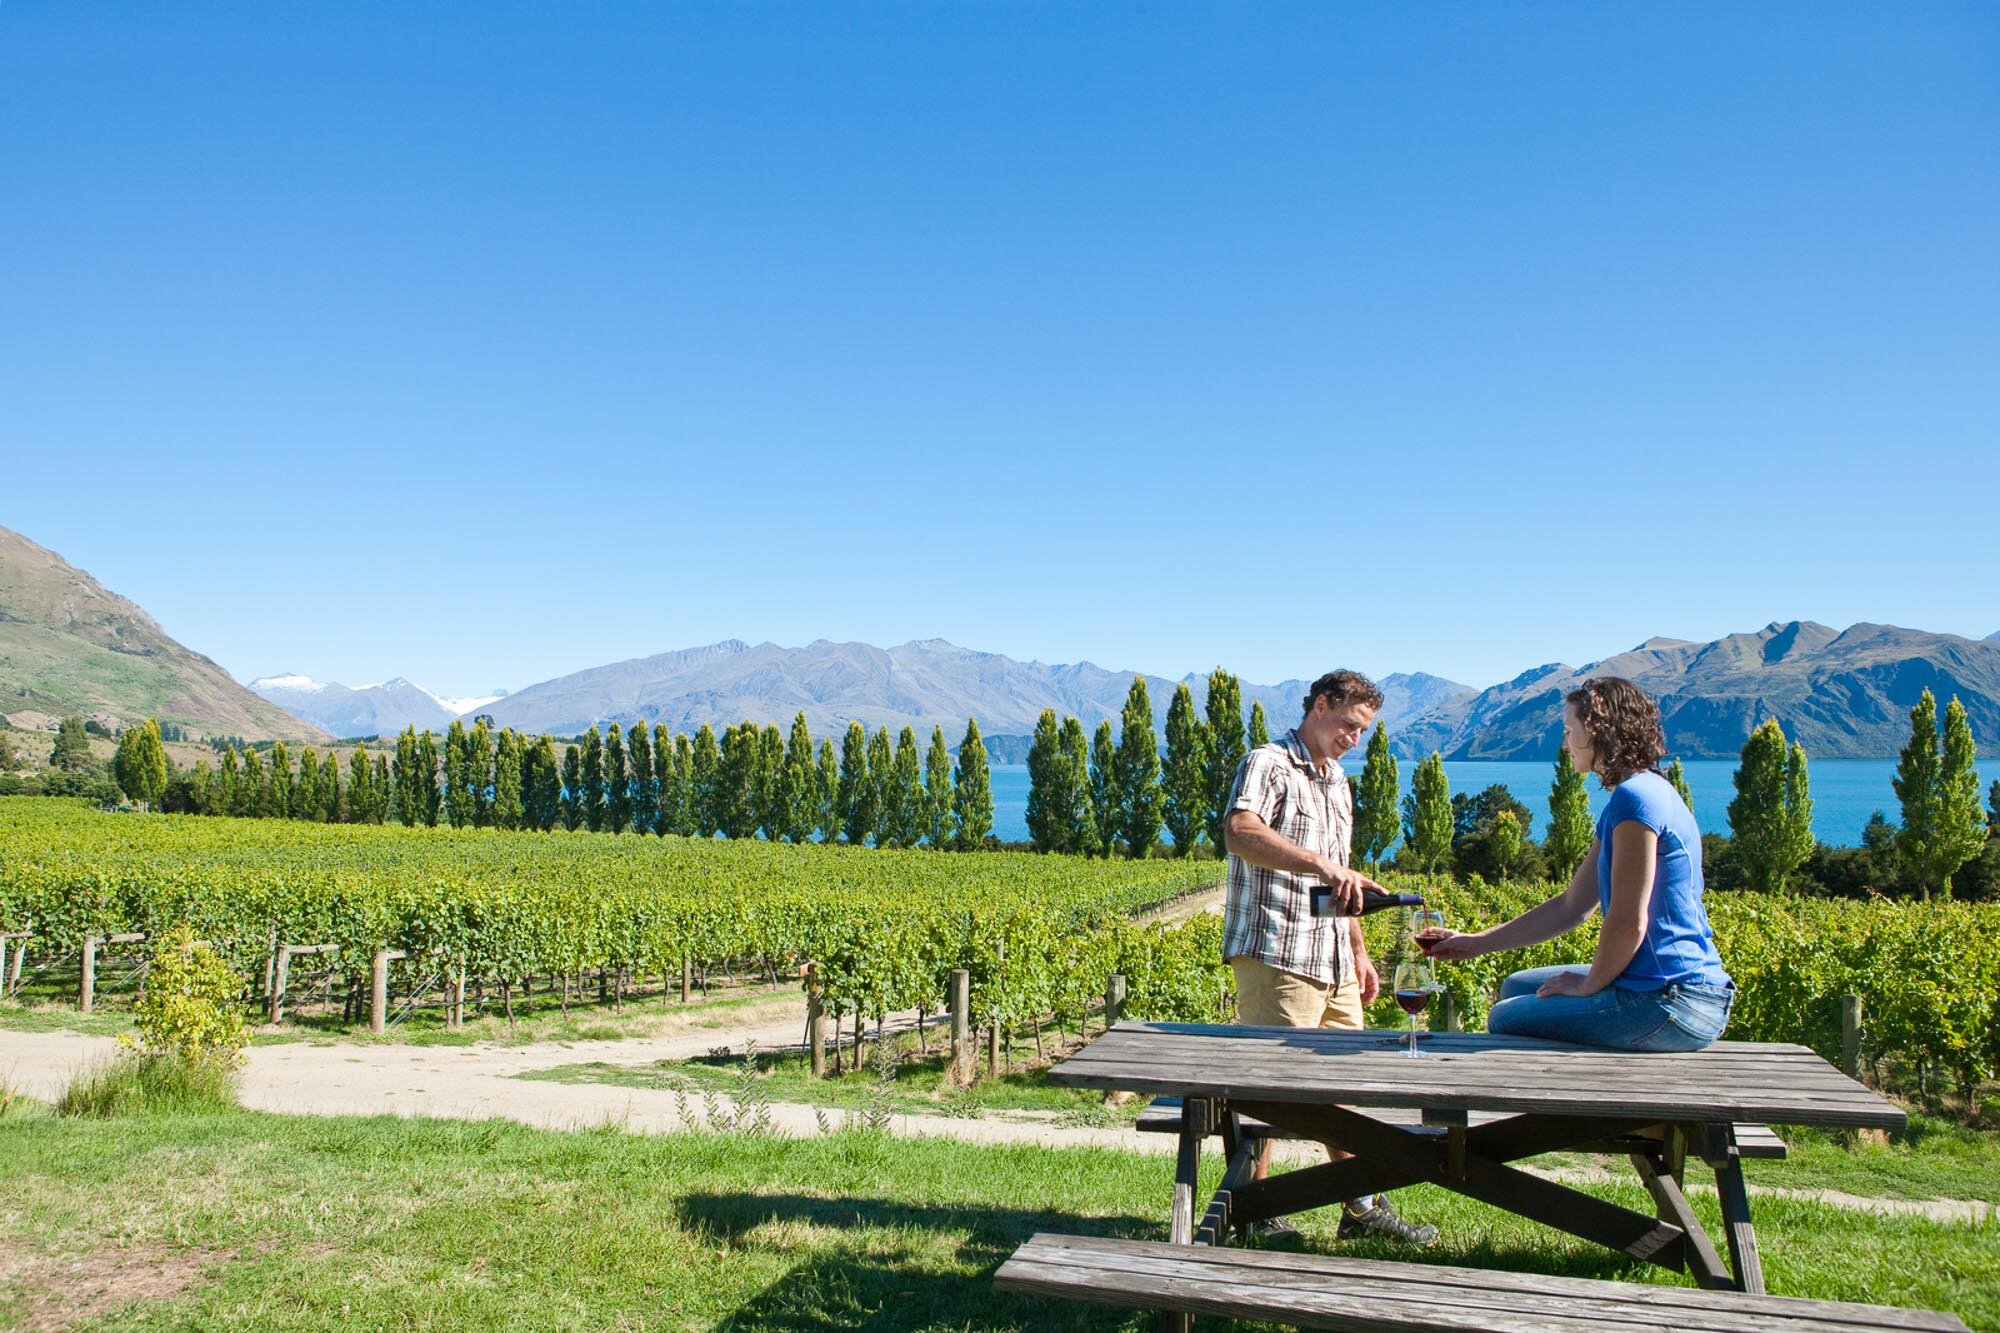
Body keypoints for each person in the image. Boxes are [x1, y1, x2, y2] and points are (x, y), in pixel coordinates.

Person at [1222, 669, 1439, 1246]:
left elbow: (1341, 879)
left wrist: (1360, 951)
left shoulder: (1338, 781)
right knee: (1273, 1089)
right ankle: (1255, 1210)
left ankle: (1360, 1207)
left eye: (1363, 730)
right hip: (1278, 949)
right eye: (1349, 724)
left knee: (1346, 1088)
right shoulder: (1268, 762)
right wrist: (1318, 864)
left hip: (1335, 960)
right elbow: (1241, 832)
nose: (1354, 738)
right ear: (1320, 705)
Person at [1421, 676, 1734, 1051]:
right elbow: (1572, 906)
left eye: (1570, 731)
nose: (1565, 744)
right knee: (1517, 987)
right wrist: (1476, 943)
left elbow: (1629, 921)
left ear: (1598, 730)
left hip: (1671, 1000)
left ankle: (1559, 1106)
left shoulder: (1635, 799)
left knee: (1505, 1016)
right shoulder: (1642, 792)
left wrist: (1588, 985)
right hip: (1675, 991)